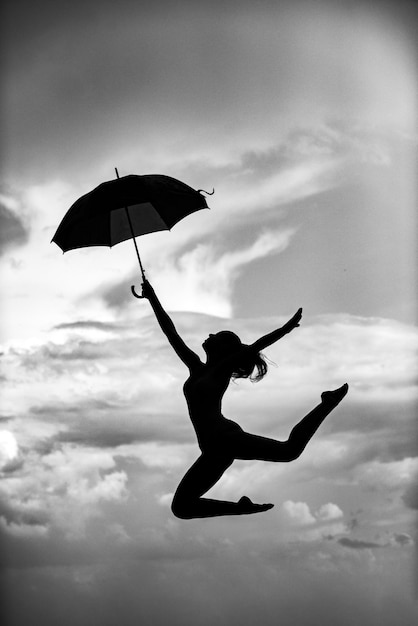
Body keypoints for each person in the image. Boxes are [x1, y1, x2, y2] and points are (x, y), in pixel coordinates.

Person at [140, 279, 348, 519]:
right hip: (212, 449)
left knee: (289, 451)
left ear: (224, 350)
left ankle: (327, 403)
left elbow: (257, 345)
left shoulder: (222, 369)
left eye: (217, 336)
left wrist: (286, 328)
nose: (210, 335)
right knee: (182, 507)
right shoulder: (196, 367)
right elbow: (170, 331)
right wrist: (152, 297)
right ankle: (240, 508)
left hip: (224, 438)